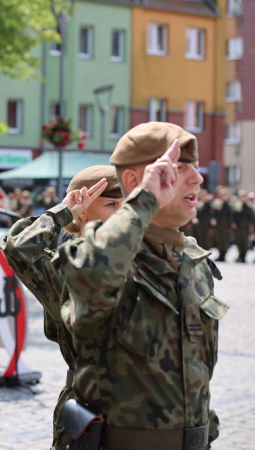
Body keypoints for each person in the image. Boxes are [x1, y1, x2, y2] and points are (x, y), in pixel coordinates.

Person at [56, 122, 228, 449]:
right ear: (135, 182)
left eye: (196, 166)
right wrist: (144, 201)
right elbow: (90, 272)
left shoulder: (193, 261)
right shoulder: (100, 255)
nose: (197, 178)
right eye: (178, 168)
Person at [1, 165, 123, 449]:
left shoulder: (140, 260)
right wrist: (63, 210)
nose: (122, 214)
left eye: (126, 205)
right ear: (83, 212)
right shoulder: (65, 269)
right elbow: (19, 249)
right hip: (90, 413)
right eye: (112, 204)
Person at [211, 187, 233, 261]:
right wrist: (213, 220)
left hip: (225, 226)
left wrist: (230, 226)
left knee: (225, 241)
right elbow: (213, 213)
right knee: (219, 240)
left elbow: (230, 216)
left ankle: (223, 255)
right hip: (218, 226)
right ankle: (220, 254)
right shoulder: (216, 203)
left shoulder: (228, 205)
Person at [233, 190, 254, 263]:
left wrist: (251, 226)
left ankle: (244, 256)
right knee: (238, 241)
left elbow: (251, 217)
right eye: (242, 196)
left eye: (244, 196)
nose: (243, 198)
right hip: (238, 227)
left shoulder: (249, 207)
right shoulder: (236, 206)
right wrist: (233, 223)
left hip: (245, 227)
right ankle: (240, 255)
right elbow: (234, 216)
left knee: (245, 242)